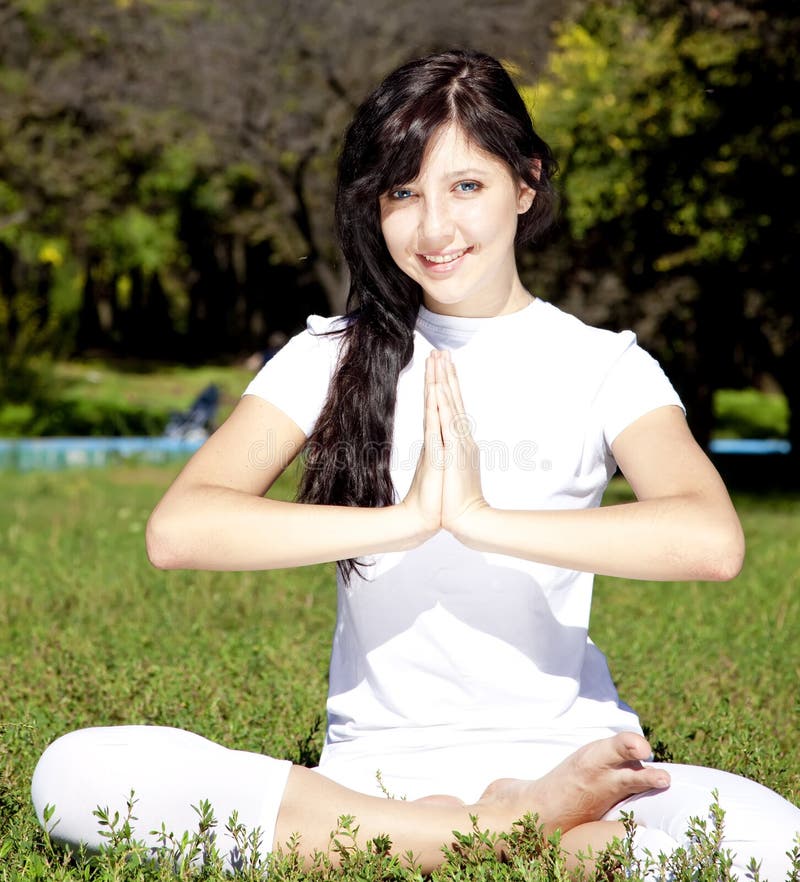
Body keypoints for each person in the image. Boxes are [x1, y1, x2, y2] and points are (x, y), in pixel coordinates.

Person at [32, 49, 799, 877]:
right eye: (403, 193)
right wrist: (409, 520)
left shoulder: (603, 365)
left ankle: (437, 836)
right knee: (73, 775)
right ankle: (517, 834)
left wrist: (480, 521)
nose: (434, 230)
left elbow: (711, 540)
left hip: (566, 757)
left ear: (526, 183)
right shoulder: (327, 355)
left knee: (778, 844)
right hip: (376, 775)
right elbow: (179, 530)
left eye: (466, 186)